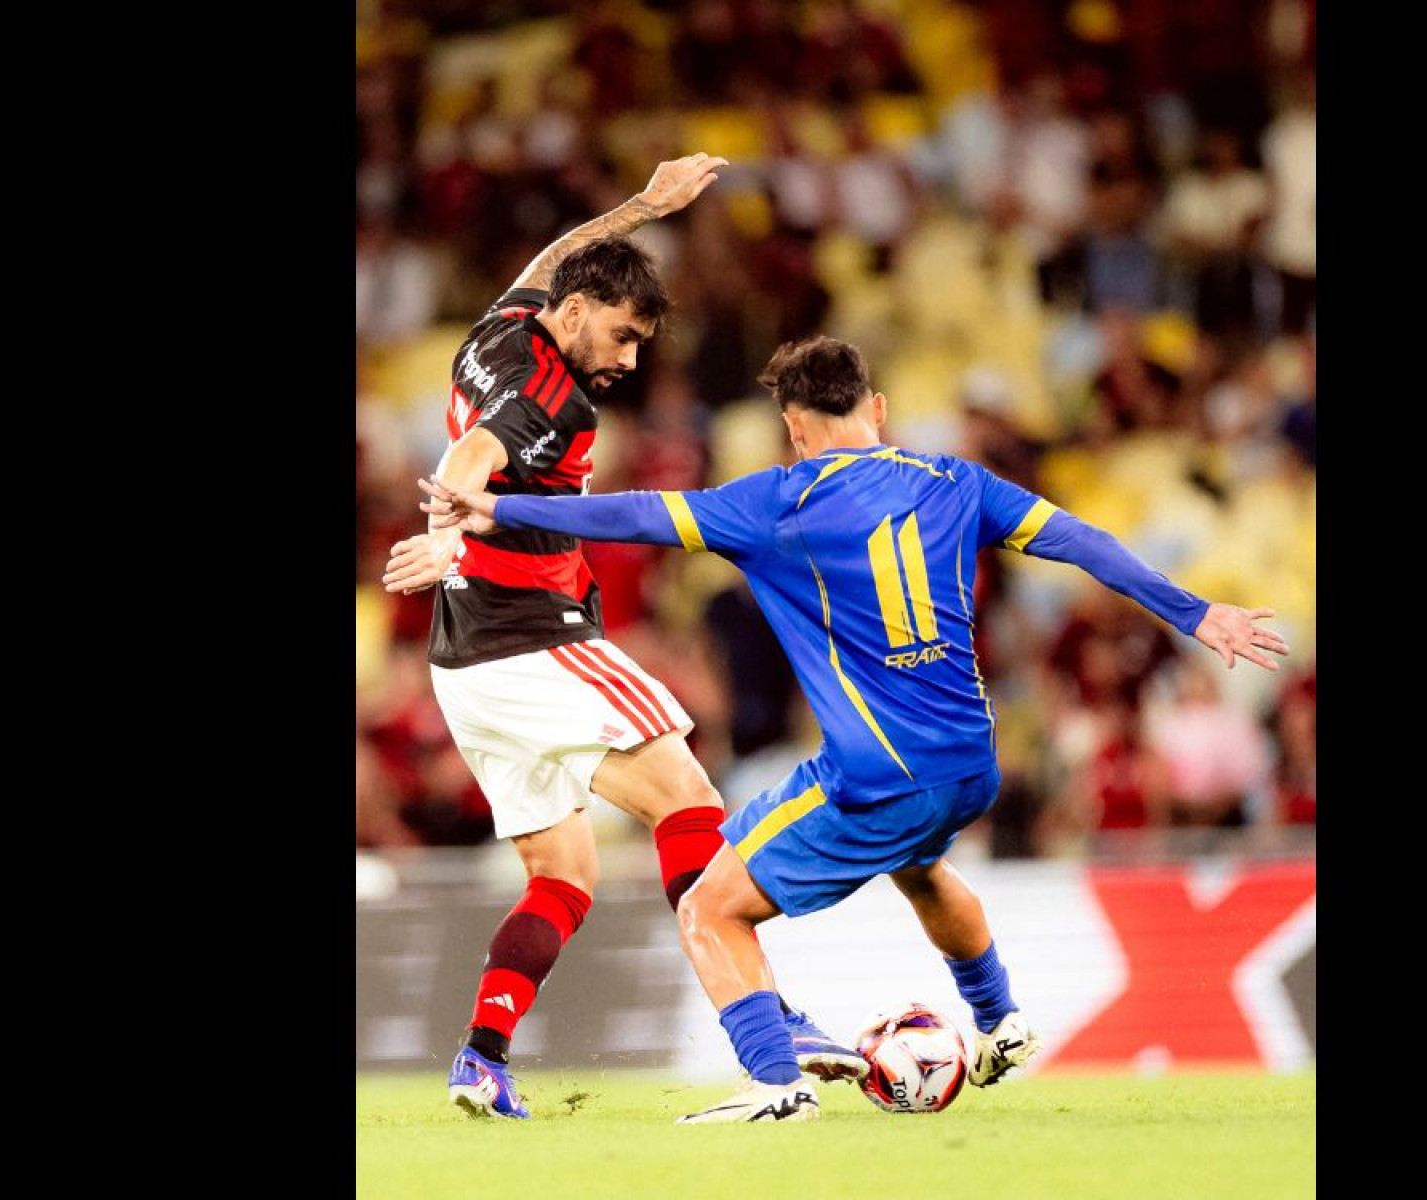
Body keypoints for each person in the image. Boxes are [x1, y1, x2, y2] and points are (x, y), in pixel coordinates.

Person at [416, 336, 1289, 1124]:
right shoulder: (959, 482)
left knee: (712, 906)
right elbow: (1080, 541)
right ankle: (999, 1018)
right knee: (919, 865)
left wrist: (504, 510)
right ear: (876, 411)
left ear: (795, 430)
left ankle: (774, 1083)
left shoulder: (774, 503)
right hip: (970, 766)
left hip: (877, 775)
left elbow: (637, 513)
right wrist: (1196, 612)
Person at [379, 156, 865, 1121]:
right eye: (624, 334)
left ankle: (480, 1058)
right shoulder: (555, 395)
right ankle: (768, 1024)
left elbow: (557, 255)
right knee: (689, 798)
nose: (630, 360)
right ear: (576, 312)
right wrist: (445, 535)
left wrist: (645, 207)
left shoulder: (501, 327)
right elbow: (475, 455)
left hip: (465, 667)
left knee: (565, 877)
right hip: (533, 638)